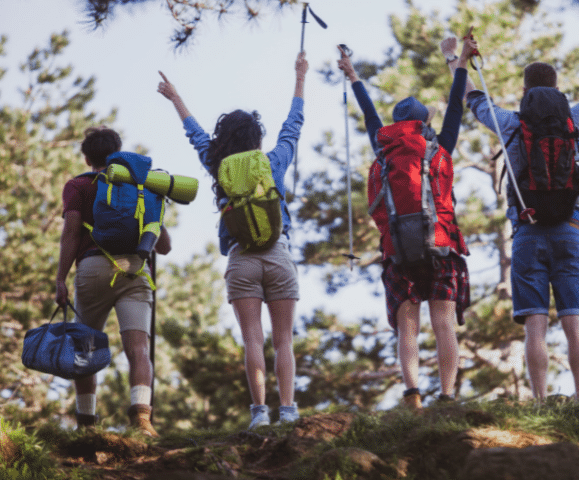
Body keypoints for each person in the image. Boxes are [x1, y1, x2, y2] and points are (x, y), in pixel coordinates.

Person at [442, 21, 579, 404]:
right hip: (569, 229)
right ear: (556, 88)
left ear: (524, 90)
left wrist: (455, 57)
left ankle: (538, 401)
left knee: (535, 324)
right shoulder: (575, 121)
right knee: (574, 320)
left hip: (527, 232)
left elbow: (470, 96)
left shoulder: (510, 125)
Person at [157, 52, 307, 428]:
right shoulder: (272, 162)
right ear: (257, 138)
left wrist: (176, 98)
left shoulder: (216, 162)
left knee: (252, 339)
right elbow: (293, 125)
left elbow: (195, 136)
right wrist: (300, 76)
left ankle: (259, 414)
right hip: (277, 254)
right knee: (283, 340)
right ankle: (287, 411)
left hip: (241, 259)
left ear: (224, 140)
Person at [337, 37, 476, 409]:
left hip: (398, 248)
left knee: (407, 325)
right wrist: (460, 61)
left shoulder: (383, 147)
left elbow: (369, 115)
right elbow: (457, 109)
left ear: (397, 123)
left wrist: (353, 76)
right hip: (441, 243)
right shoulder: (439, 146)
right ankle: (447, 396)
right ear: (424, 121)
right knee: (443, 321)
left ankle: (413, 393)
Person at [56, 126, 172, 436]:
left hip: (92, 268)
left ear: (87, 157)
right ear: (118, 152)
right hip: (133, 270)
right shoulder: (139, 187)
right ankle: (143, 418)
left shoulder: (78, 186)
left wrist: (60, 279)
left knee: (85, 349)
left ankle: (87, 423)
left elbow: (71, 233)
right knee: (138, 348)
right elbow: (164, 245)